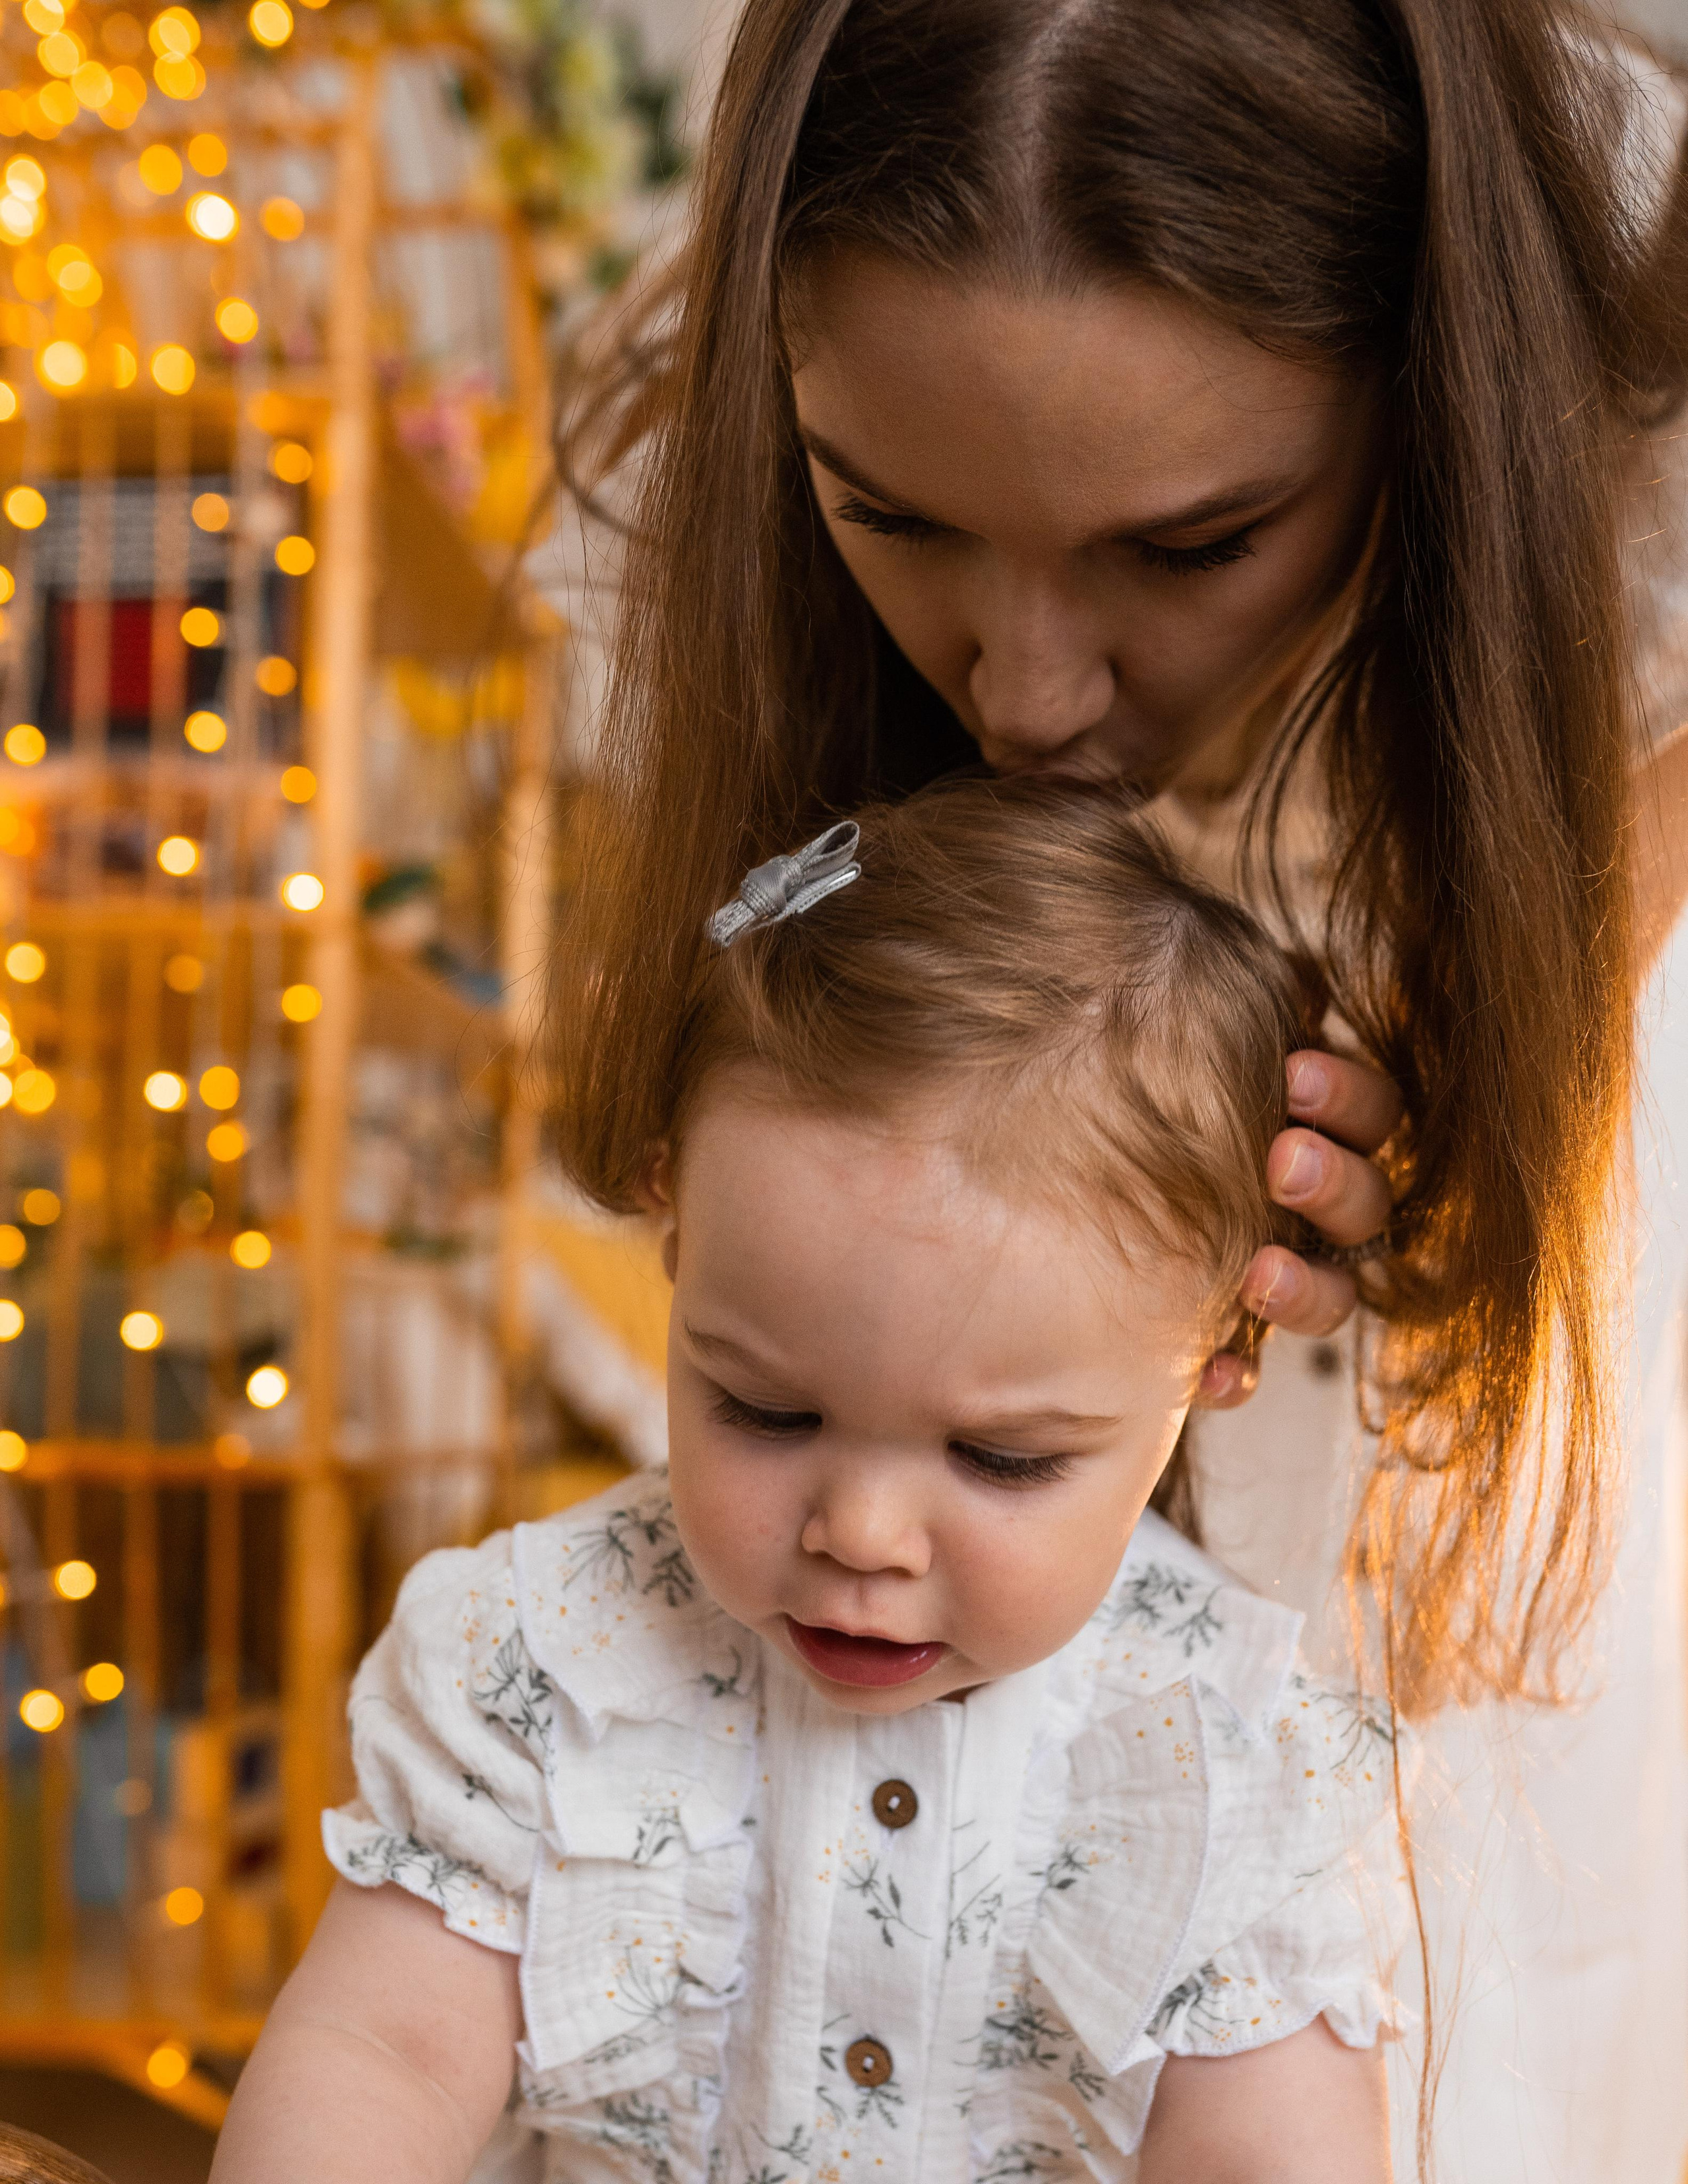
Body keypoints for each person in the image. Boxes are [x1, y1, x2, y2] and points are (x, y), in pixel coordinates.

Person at [542, 3, 1688, 2174]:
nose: (1033, 691)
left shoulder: (1632, 468)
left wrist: (1454, 1112)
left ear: (1438, 401)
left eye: (1186, 548)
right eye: (893, 514)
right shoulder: (712, 488)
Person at [216, 780, 1414, 2183]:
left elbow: (1268, 2158)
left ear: (1215, 1359)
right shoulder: (540, 1666)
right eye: (766, 1410)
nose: (859, 1532)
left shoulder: (1231, 1749)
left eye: (999, 1458)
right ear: (674, 1236)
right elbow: (385, 2054)